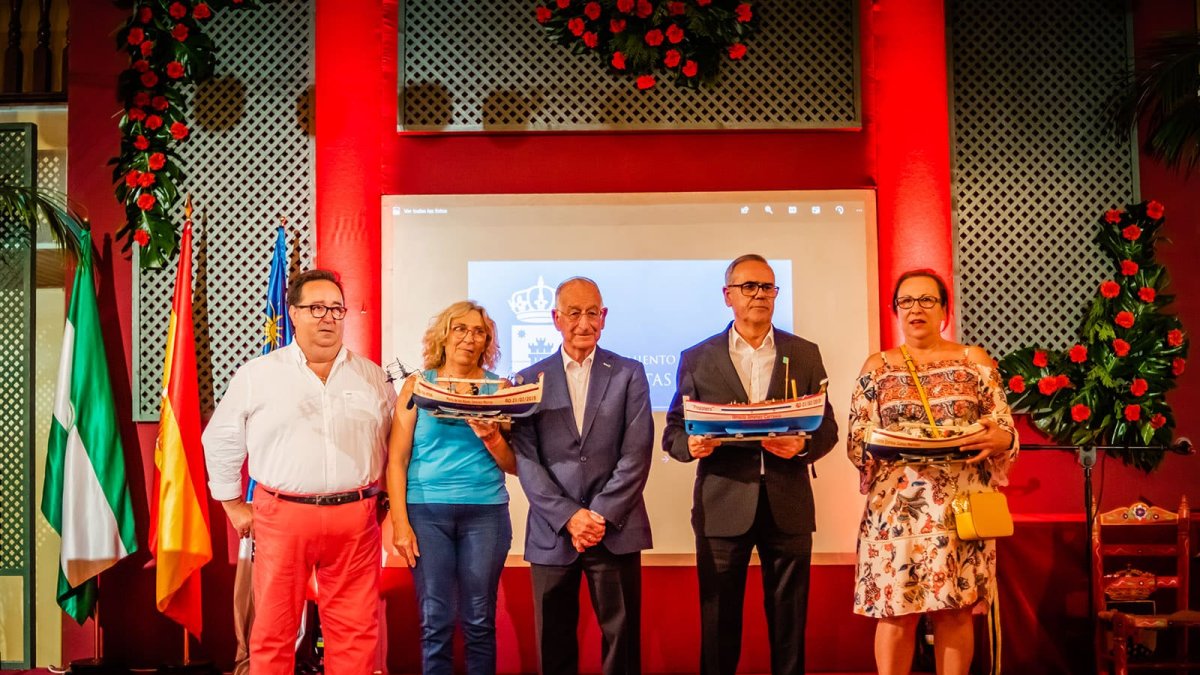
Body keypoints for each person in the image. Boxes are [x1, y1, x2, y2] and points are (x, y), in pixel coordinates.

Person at [202, 269, 394, 675]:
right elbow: (221, 438)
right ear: (293, 313)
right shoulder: (259, 374)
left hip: (357, 519)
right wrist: (232, 504)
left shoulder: (373, 377)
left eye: (336, 309)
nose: (328, 318)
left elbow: (394, 445)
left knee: (357, 631)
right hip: (282, 516)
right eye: (316, 308)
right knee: (274, 630)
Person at [663, 254, 839, 675]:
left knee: (789, 622)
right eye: (749, 287)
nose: (759, 295)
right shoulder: (698, 357)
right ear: (728, 296)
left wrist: (801, 448)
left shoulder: (803, 352)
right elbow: (673, 432)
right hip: (722, 505)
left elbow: (828, 428)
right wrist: (692, 445)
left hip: (788, 504)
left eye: (767, 287)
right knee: (718, 622)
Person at [847, 268, 1018, 675]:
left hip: (961, 509)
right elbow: (856, 437)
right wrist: (878, 445)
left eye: (927, 300)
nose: (916, 309)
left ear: (944, 310)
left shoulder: (973, 360)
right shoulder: (877, 365)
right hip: (895, 512)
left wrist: (1000, 439)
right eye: (906, 301)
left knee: (955, 610)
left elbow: (1004, 428)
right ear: (896, 311)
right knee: (895, 611)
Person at [511, 277, 655, 675]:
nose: (584, 323)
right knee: (553, 643)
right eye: (574, 313)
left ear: (604, 317)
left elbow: (637, 453)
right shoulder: (527, 380)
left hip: (615, 530)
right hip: (552, 531)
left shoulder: (629, 373)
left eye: (593, 313)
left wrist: (598, 516)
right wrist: (570, 517)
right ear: (556, 318)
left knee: (621, 644)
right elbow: (526, 460)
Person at [386, 300, 516, 675]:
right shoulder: (417, 385)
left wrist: (492, 437)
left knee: (479, 621)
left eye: (479, 332)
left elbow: (514, 465)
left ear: (487, 341)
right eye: (460, 329)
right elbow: (396, 460)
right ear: (443, 335)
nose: (469, 338)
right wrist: (400, 523)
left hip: (486, 514)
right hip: (426, 515)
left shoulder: (499, 388)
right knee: (435, 621)